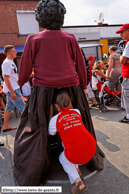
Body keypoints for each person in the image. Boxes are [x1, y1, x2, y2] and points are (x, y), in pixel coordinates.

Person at [14, 0, 105, 186]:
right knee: (78, 120)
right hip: (71, 88)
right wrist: (84, 85)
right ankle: (81, 153)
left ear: (40, 18)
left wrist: (20, 82)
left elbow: (24, 69)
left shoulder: (33, 39)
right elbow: (80, 64)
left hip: (43, 90)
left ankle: (39, 161)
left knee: (38, 124)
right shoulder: (70, 37)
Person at [48, 92, 96, 194]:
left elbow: (50, 133)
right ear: (70, 103)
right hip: (91, 148)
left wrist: (50, 116)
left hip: (77, 153)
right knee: (69, 146)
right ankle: (76, 170)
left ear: (56, 106)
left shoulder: (54, 120)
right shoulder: (76, 112)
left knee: (62, 158)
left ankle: (78, 181)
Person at [1, 45, 25, 132]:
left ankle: (5, 125)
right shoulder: (7, 63)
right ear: (9, 53)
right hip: (13, 90)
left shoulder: (10, 62)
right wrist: (12, 92)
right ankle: (30, 127)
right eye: (14, 51)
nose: (16, 52)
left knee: (8, 108)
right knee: (23, 109)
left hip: (13, 89)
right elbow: (6, 78)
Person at [116, 23, 129, 123]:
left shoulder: (128, 43)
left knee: (127, 96)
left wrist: (122, 58)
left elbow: (122, 60)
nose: (121, 35)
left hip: (127, 75)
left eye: (122, 32)